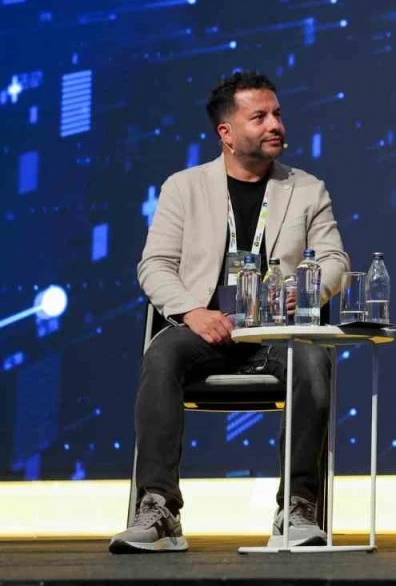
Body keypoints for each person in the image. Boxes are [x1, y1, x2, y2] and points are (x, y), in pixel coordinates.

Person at [110, 71, 349, 553]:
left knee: (311, 358)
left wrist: (304, 292)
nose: (275, 124)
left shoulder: (307, 189)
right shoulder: (184, 187)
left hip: (279, 332)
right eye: (259, 117)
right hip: (207, 329)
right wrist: (191, 312)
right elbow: (154, 265)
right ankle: (159, 508)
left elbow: (335, 262)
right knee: (161, 355)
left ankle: (298, 507)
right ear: (226, 133)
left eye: (277, 114)